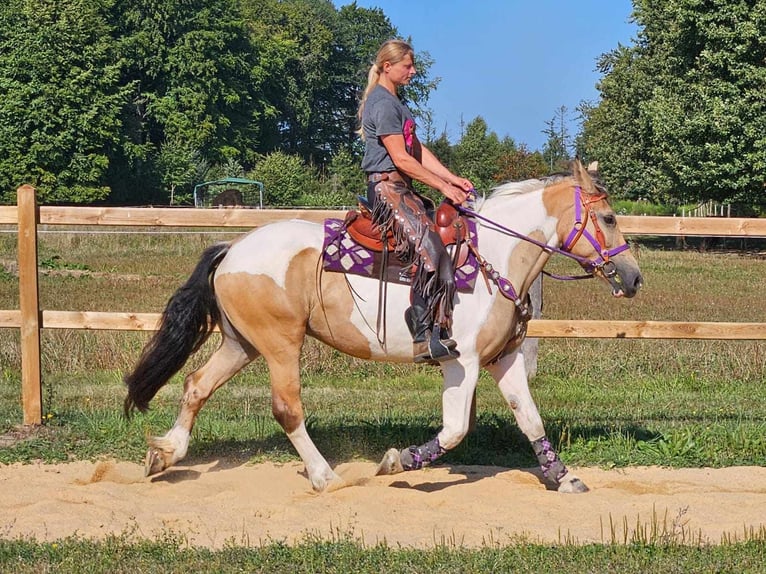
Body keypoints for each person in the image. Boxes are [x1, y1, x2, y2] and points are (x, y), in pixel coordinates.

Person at [357, 39, 474, 364]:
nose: (413, 70)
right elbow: (401, 159)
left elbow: (417, 151)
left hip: (402, 188)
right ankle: (422, 336)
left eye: (412, 65)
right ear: (387, 67)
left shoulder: (397, 103)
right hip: (386, 189)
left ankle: (437, 328)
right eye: (407, 66)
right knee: (431, 255)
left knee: (442, 241)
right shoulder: (381, 104)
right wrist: (443, 188)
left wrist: (451, 178)